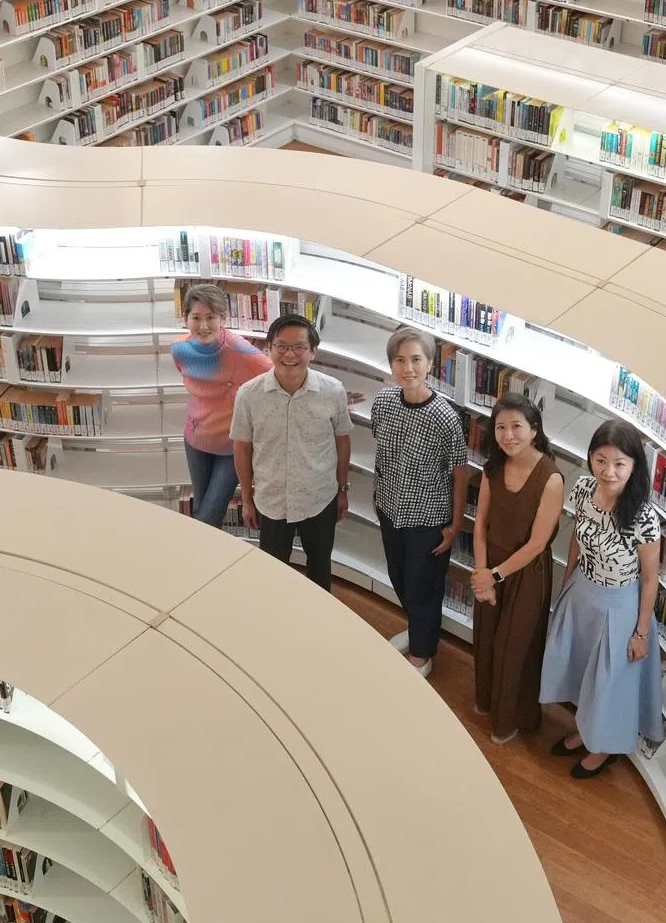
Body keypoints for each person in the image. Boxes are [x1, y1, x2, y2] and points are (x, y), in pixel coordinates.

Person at [540, 419, 664, 778]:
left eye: (619, 463)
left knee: (610, 683)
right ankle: (585, 729)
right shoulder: (581, 489)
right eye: (600, 460)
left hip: (619, 607)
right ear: (591, 459)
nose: (609, 471)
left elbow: (651, 578)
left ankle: (606, 748)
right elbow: (577, 537)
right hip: (583, 594)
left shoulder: (643, 517)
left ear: (634, 466)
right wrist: (568, 586)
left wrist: (640, 633)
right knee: (582, 671)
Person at [371, 327, 469, 679]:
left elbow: (460, 471)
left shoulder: (444, 416)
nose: (408, 368)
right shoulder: (383, 401)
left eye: (416, 359)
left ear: (430, 365)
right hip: (389, 509)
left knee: (423, 587)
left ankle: (422, 651)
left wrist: (455, 525)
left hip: (427, 519)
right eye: (400, 360)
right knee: (399, 577)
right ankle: (417, 632)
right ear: (391, 364)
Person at [230, 313, 353, 590]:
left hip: (319, 497)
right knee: (273, 573)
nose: (290, 354)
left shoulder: (332, 391)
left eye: (299, 347)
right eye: (281, 346)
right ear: (269, 349)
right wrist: (247, 499)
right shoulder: (249, 395)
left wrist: (342, 489)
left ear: (313, 352)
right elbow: (242, 447)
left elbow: (342, 441)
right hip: (272, 499)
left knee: (320, 567)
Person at [471, 394, 564, 743]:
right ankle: (485, 702)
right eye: (500, 427)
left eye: (516, 427)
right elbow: (480, 524)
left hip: (525, 575)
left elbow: (537, 544)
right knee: (485, 639)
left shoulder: (550, 478)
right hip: (490, 569)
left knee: (514, 648)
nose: (508, 435)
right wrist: (482, 574)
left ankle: (509, 720)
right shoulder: (492, 468)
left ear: (534, 430)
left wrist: (493, 576)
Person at [171, 283, 271, 528]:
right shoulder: (179, 349)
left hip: (231, 444)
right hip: (196, 438)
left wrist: (326, 390)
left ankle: (202, 561)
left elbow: (275, 372)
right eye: (196, 317)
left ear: (223, 318)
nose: (203, 326)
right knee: (201, 507)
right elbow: (196, 389)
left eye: (211, 318)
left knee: (210, 514)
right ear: (185, 318)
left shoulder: (235, 347)